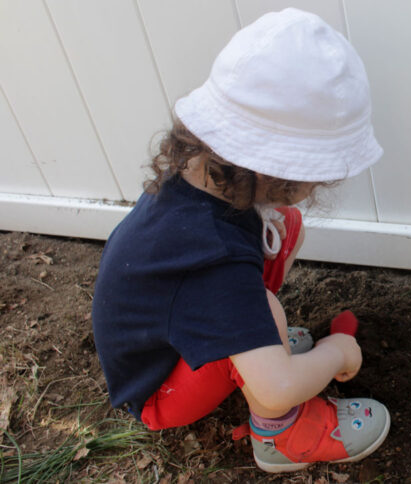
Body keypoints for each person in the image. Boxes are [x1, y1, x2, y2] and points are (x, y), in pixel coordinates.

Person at [91, 8, 389, 473]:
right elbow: (275, 388)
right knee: (263, 322)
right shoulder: (213, 262)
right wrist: (337, 353)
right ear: (279, 171)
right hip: (160, 392)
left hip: (170, 336)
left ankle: (256, 351)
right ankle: (283, 435)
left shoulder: (199, 181)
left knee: (283, 229)